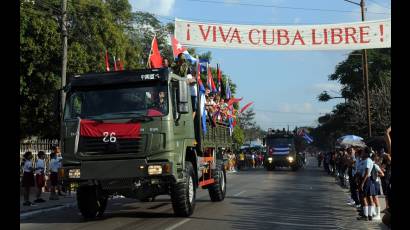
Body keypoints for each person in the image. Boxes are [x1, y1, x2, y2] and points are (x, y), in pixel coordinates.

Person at [357, 147, 376, 221]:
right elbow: (360, 171)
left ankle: (366, 215)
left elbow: (366, 173)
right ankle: (369, 215)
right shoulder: (363, 160)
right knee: (368, 197)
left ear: (366, 153)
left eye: (363, 152)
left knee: (364, 197)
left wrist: (362, 183)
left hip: (366, 180)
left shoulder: (368, 161)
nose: (361, 153)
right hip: (364, 180)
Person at [370, 154, 384, 221]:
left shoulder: (375, 165)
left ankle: (378, 215)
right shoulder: (371, 164)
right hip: (372, 183)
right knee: (372, 198)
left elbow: (382, 174)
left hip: (375, 183)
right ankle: (373, 212)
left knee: (375, 198)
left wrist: (376, 174)